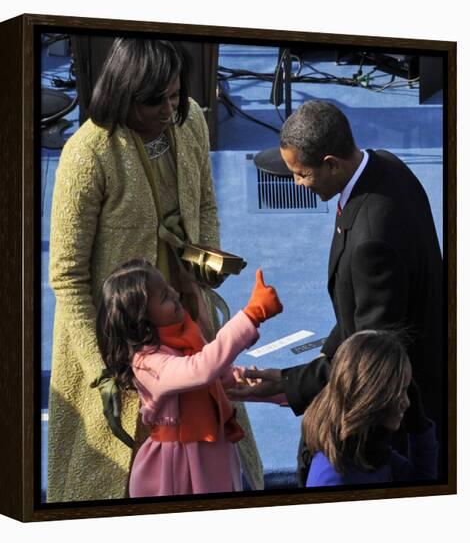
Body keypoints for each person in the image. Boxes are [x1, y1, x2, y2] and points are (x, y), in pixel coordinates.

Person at [47, 38, 264, 503]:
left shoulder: (190, 123)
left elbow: (204, 203)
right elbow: (66, 276)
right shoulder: (87, 154)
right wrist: (102, 370)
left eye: (174, 95)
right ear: (125, 96)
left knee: (209, 447)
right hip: (119, 342)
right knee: (120, 479)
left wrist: (204, 269)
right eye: (156, 101)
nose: (170, 109)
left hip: (184, 315)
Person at [227, 100, 444, 483]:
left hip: (400, 420)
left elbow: (371, 357)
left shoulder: (372, 242)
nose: (296, 183)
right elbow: (354, 320)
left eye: (302, 174)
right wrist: (292, 378)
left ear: (331, 163)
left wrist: (290, 384)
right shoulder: (385, 167)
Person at [96, 261, 282, 496]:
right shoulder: (147, 364)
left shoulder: (184, 336)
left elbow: (220, 379)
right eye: (164, 297)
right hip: (176, 470)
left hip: (214, 452)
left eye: (169, 288)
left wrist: (282, 389)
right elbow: (202, 369)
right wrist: (252, 315)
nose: (174, 294)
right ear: (142, 322)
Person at [303, 330, 438, 487]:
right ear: (371, 396)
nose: (407, 402)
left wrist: (419, 427)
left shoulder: (368, 449)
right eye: (399, 391)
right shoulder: (333, 477)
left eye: (407, 390)